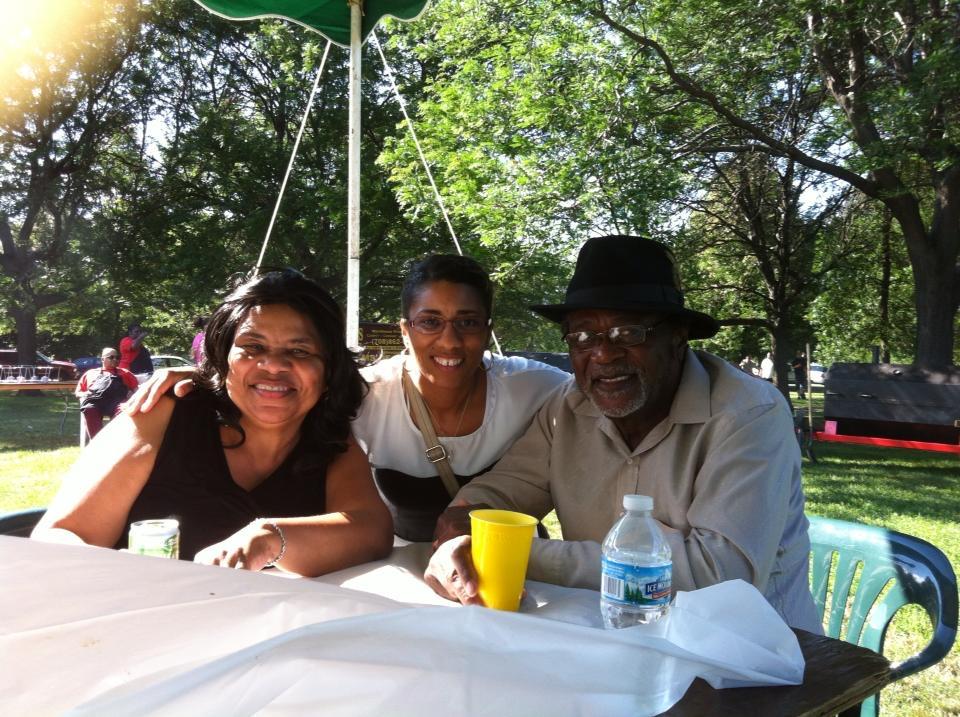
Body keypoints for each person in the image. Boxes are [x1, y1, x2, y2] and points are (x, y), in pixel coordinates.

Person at [424, 236, 821, 632]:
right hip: (614, 644)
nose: (602, 354)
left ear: (678, 335)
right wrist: (460, 526)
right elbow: (506, 487)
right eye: (582, 336)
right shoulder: (568, 407)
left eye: (627, 333)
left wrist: (513, 554)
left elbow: (717, 575)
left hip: (752, 658)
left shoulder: (747, 414)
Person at [128, 255, 571, 543]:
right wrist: (208, 377)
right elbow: (285, 387)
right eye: (429, 321)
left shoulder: (535, 387)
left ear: (487, 329)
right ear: (404, 330)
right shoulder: (364, 395)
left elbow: (594, 392)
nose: (449, 341)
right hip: (399, 574)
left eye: (468, 322)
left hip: (507, 572)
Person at [33, 269, 393, 576]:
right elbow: (60, 537)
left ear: (329, 369)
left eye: (299, 351)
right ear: (223, 357)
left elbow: (372, 530)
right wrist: (120, 576)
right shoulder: (162, 413)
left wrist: (269, 537)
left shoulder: (328, 439)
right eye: (252, 347)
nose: (273, 365)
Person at [74, 347, 139, 440]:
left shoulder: (125, 373)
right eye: (111, 357)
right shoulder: (90, 373)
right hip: (95, 401)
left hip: (118, 401)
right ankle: (97, 442)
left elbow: (137, 391)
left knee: (123, 411)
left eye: (117, 357)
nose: (115, 360)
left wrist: (131, 398)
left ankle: (115, 441)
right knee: (89, 409)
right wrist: (85, 394)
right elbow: (78, 392)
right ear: (102, 359)